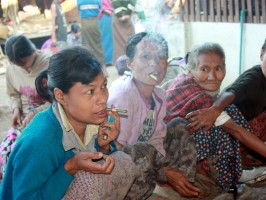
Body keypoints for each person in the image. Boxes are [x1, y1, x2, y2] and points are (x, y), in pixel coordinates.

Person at [0, 46, 137, 199]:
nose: (103, 99)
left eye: (103, 86)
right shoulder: (41, 140)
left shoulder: (90, 119)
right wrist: (70, 167)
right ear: (61, 96)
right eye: (90, 91)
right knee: (90, 183)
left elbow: (104, 161)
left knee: (125, 160)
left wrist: (104, 146)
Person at [165, 42, 266, 194]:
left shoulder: (186, 81)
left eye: (218, 68)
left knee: (225, 117)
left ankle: (229, 170)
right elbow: (237, 130)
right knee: (229, 118)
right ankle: (218, 175)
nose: (213, 76)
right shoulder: (200, 98)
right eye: (204, 69)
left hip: (179, 143)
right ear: (191, 71)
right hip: (171, 150)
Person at [108, 32, 202, 199]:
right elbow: (117, 150)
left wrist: (160, 167)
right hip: (118, 167)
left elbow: (157, 136)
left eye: (161, 57)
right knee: (144, 151)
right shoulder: (124, 95)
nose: (155, 64)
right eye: (145, 57)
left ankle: (183, 185)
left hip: (147, 159)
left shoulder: (159, 94)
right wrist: (162, 170)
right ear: (130, 63)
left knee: (181, 126)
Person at [191, 31, 266, 154]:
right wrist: (214, 110)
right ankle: (245, 151)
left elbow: (263, 94)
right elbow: (230, 93)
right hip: (227, 131)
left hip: (242, 128)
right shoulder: (253, 79)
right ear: (261, 54)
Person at [0, 35, 51, 175]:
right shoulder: (12, 68)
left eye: (24, 63)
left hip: (49, 115)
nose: (21, 67)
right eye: (17, 64)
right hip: (25, 120)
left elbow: (59, 98)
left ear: (34, 51)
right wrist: (16, 109)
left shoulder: (49, 63)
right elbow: (13, 94)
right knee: (7, 154)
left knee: (30, 156)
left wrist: (35, 113)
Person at [77, 0, 107, 73]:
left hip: (85, 23)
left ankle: (89, 71)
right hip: (95, 22)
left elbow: (79, 9)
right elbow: (100, 9)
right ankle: (104, 70)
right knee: (98, 46)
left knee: (86, 46)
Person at [111, 0, 135, 64]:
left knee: (118, 43)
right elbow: (133, 2)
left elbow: (115, 2)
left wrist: (120, 15)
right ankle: (132, 62)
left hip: (118, 16)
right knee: (131, 40)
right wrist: (128, 13)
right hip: (128, 16)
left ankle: (121, 64)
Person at [98, 0, 114, 65]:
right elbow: (101, 7)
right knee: (106, 39)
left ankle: (109, 60)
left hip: (107, 17)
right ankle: (108, 60)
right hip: (105, 17)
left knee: (108, 39)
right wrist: (110, 12)